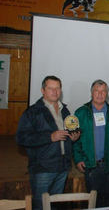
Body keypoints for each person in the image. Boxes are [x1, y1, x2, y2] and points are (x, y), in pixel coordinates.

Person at [16, 75, 80, 210]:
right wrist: (49, 137)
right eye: (50, 88)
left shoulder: (65, 110)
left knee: (56, 206)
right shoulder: (32, 112)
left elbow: (65, 137)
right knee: (40, 206)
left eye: (57, 88)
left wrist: (72, 139)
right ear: (42, 90)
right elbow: (21, 138)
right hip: (42, 169)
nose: (54, 91)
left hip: (62, 167)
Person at [73, 79, 109, 207]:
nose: (100, 94)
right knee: (93, 200)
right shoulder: (81, 113)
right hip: (91, 165)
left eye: (103, 91)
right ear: (91, 93)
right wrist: (78, 158)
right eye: (97, 91)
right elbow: (75, 139)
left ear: (107, 93)